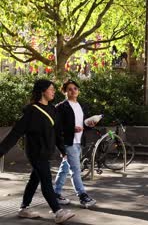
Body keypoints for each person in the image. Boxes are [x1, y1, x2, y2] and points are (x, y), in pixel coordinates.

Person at [0, 79, 75, 223]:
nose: (53, 91)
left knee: (34, 179)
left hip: (46, 151)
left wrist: (63, 150)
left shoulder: (53, 109)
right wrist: (1, 150)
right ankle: (58, 212)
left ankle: (24, 208)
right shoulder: (31, 111)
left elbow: (57, 132)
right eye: (51, 89)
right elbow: (15, 133)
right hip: (35, 152)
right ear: (43, 91)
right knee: (46, 180)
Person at [54, 80, 97, 208]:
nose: (73, 91)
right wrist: (71, 129)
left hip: (79, 141)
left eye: (75, 88)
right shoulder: (61, 107)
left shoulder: (81, 105)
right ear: (65, 91)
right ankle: (82, 196)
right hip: (69, 142)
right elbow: (57, 127)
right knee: (75, 170)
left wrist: (90, 124)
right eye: (70, 89)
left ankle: (55, 194)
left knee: (64, 168)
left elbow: (82, 125)